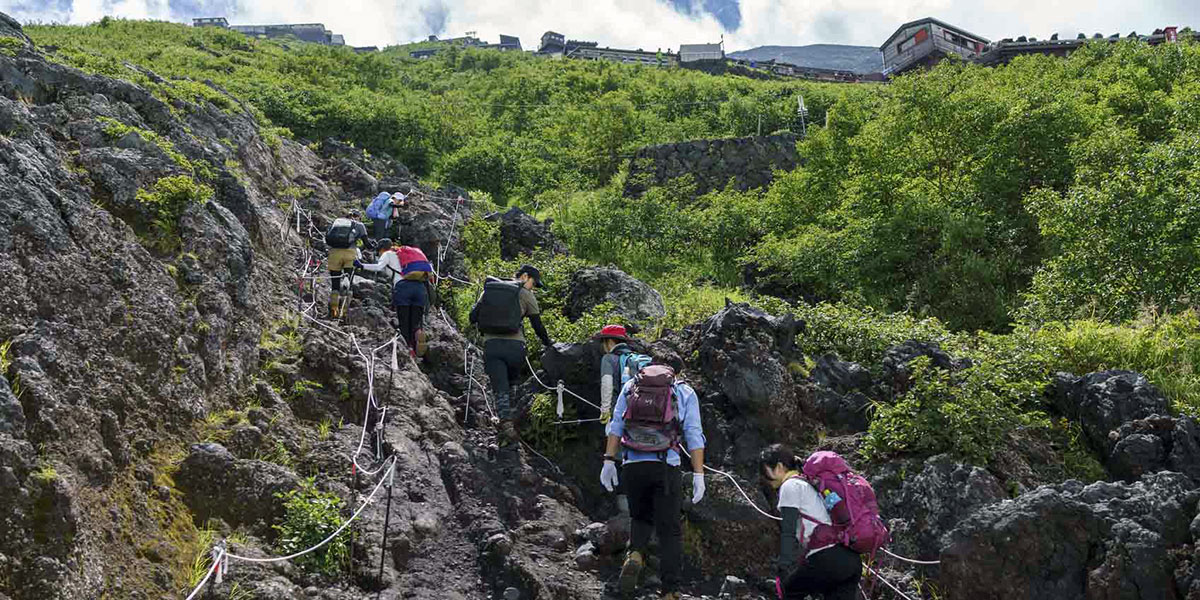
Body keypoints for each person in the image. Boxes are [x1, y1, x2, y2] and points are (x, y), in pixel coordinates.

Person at [600, 364, 706, 600]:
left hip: (632, 466)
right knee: (670, 531)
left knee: (640, 517)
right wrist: (699, 475)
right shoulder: (683, 391)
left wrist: (609, 460)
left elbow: (616, 424)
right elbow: (693, 433)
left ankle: (635, 555)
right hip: (666, 466)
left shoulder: (631, 386)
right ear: (675, 372)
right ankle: (670, 590)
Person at [759, 444, 862, 600]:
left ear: (779, 467)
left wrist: (783, 566)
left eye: (765, 471)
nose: (764, 478)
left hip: (827, 558)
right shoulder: (812, 484)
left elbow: (788, 532)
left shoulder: (789, 486)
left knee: (790, 591)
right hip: (851, 559)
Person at [469, 264, 554, 445]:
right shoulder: (525, 294)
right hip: (516, 347)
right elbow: (537, 326)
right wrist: (549, 344)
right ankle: (514, 422)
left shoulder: (490, 290)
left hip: (492, 346)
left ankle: (505, 425)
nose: (533, 287)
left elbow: (472, 317)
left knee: (500, 388)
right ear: (524, 276)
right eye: (534, 283)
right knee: (513, 384)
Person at [355, 240, 432, 358]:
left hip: (403, 288)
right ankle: (418, 332)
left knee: (404, 322)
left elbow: (379, 267)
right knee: (416, 320)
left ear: (382, 249)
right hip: (420, 288)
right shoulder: (407, 254)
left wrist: (361, 265)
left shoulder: (387, 254)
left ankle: (409, 350)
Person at [324, 211, 370, 319]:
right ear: (358, 217)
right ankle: (344, 313)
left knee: (335, 285)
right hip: (350, 255)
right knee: (348, 285)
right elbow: (367, 244)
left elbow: (327, 239)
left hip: (334, 254)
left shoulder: (336, 223)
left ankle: (333, 311)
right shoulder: (359, 225)